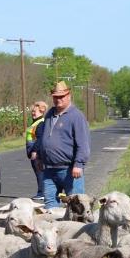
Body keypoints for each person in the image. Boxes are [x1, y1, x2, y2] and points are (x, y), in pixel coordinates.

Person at [31, 81, 90, 209]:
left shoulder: (76, 116)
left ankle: (75, 228)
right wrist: (40, 157)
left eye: (61, 96)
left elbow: (83, 143)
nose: (58, 99)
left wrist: (78, 164)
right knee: (50, 205)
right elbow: (43, 139)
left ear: (68, 96)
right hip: (49, 170)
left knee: (76, 206)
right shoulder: (49, 115)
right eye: (56, 97)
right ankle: (55, 229)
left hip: (69, 170)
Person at [26, 101, 48, 201]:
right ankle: (42, 192)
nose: (33, 113)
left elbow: (40, 138)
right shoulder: (36, 122)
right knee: (39, 173)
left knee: (40, 173)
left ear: (41, 111)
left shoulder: (40, 123)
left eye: (35, 111)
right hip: (33, 149)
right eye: (32, 111)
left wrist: (35, 151)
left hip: (36, 151)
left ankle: (41, 193)